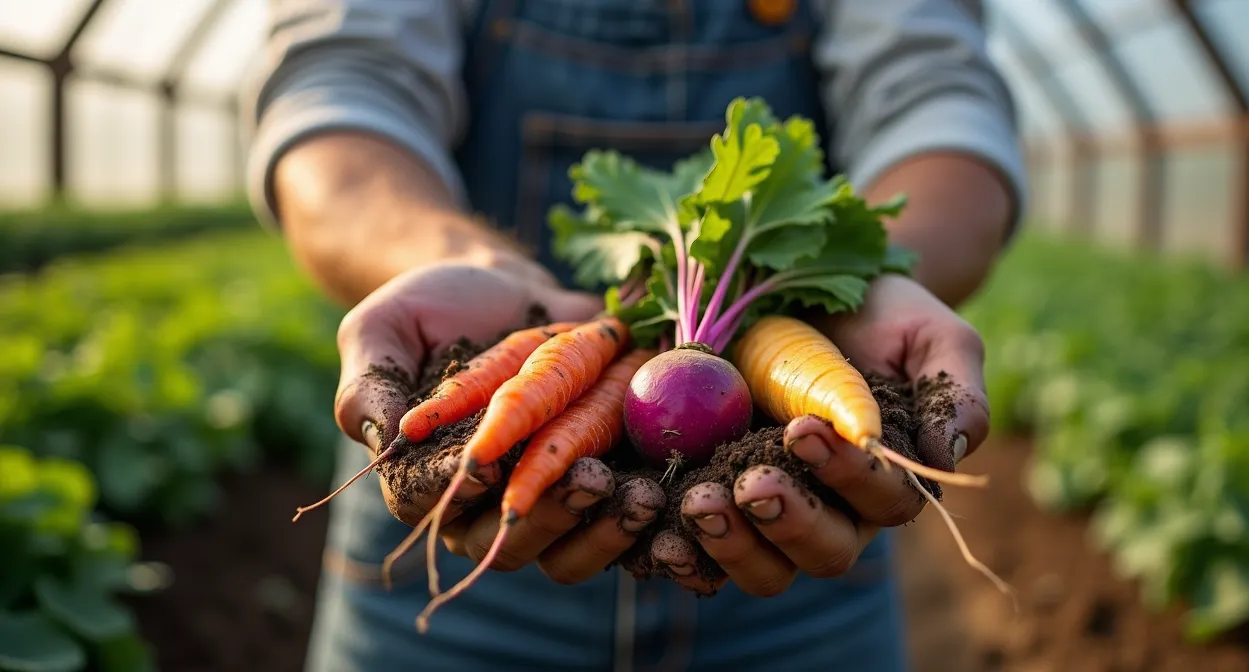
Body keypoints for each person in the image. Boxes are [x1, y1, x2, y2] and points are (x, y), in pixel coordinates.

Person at [243, 0, 1025, 669]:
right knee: (475, 457)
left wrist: (878, 277)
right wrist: (461, 262)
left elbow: (936, 97)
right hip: (458, 519)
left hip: (809, 548)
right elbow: (341, 86)